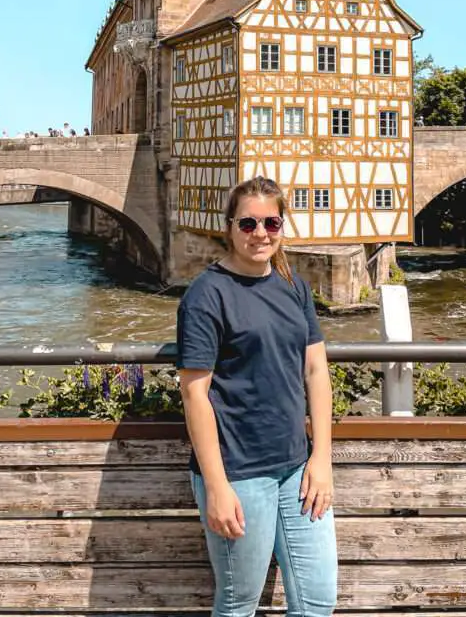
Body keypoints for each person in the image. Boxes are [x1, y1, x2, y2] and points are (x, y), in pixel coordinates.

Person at [176, 176, 337, 617]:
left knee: (317, 600)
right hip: (239, 474)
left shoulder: (294, 286)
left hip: (297, 468)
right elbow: (195, 393)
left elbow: (316, 370)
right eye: (248, 224)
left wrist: (321, 456)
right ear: (229, 227)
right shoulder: (207, 295)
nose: (260, 233)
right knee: (238, 604)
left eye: (271, 222)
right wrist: (216, 486)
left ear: (283, 226)